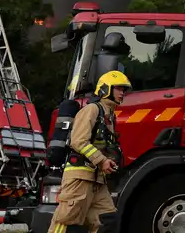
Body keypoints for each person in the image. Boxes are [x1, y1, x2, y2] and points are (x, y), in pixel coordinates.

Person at [47, 70, 130, 233]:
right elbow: (78, 141)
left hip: (97, 180)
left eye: (124, 90)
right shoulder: (91, 110)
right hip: (79, 176)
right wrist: (102, 160)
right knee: (66, 222)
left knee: (107, 220)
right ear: (106, 89)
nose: (123, 93)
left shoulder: (110, 117)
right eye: (119, 88)